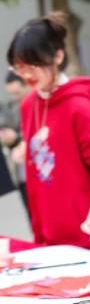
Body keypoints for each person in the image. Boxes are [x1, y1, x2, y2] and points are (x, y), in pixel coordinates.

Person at [7, 13, 90, 254]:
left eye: (33, 66)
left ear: (58, 56)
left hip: (88, 235)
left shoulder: (77, 106)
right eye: (20, 68)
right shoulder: (29, 104)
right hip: (48, 235)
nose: (27, 75)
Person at [0, 71, 31, 218]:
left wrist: (17, 138)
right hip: (21, 174)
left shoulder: (37, 105)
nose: (15, 98)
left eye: (17, 93)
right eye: (11, 94)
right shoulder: (12, 108)